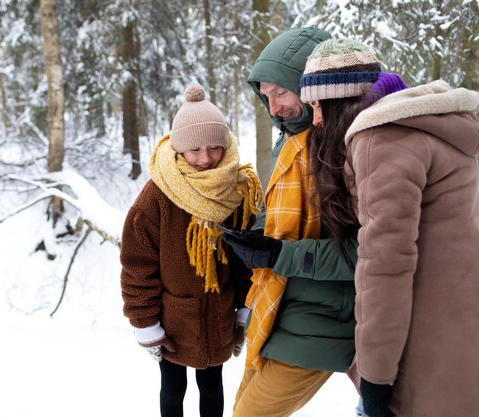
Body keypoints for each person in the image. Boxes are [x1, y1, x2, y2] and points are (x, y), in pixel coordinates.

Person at [300, 37, 479, 417]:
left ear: (340, 100)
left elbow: (386, 268)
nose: (315, 120)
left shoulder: (381, 137)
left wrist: (377, 379)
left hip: (424, 355)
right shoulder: (434, 125)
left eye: (317, 105)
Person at [220, 27, 360, 417]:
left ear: (313, 86)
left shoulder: (343, 146)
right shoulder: (291, 143)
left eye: (280, 92)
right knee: (242, 406)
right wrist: (257, 237)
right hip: (282, 305)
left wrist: (280, 253)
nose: (273, 107)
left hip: (325, 317)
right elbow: (283, 213)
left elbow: (367, 251)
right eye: (266, 96)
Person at [119, 84, 263, 417]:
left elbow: (247, 262)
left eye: (215, 147)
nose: (206, 159)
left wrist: (242, 312)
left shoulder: (236, 190)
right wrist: (147, 326)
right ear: (179, 147)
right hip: (173, 321)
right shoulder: (156, 197)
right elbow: (137, 265)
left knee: (213, 386)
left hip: (219, 315)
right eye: (195, 149)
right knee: (173, 388)